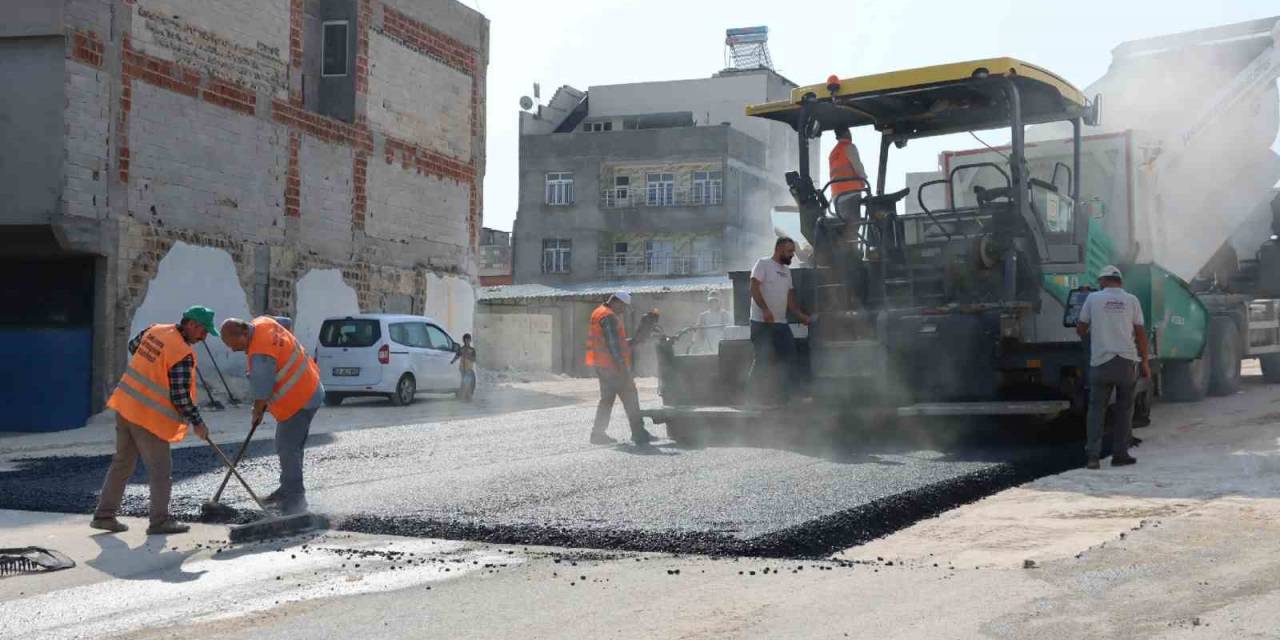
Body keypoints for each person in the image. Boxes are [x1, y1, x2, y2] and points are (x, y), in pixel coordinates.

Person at [92, 305, 219, 535]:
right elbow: (180, 395)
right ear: (191, 324)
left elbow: (133, 347)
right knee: (160, 471)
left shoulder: (155, 330)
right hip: (149, 418)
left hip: (125, 406)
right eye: (203, 331)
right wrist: (197, 422)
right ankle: (159, 522)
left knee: (122, 463)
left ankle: (104, 515)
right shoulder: (182, 353)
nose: (204, 336)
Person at [218, 316, 323, 515]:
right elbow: (286, 322)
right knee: (293, 446)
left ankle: (295, 501)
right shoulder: (263, 322)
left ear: (242, 334)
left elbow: (263, 389)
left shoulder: (260, 353)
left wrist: (257, 410)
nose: (232, 349)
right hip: (311, 387)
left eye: (233, 344)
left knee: (287, 447)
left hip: (299, 400)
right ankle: (288, 489)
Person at [1076, 265, 1151, 470]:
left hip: (1101, 363)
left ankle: (1093, 457)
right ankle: (1120, 455)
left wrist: (1094, 334)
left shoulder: (1092, 299)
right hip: (1126, 362)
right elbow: (1141, 333)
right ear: (1120, 282)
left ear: (1102, 281)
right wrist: (1144, 361)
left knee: (1096, 411)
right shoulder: (1132, 300)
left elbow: (1081, 328)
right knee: (1125, 410)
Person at [586, 291, 657, 446]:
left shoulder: (599, 312)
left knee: (607, 400)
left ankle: (597, 434)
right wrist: (622, 367)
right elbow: (614, 345)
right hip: (613, 366)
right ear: (616, 302)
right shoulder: (609, 317)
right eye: (623, 307)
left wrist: (636, 340)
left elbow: (615, 342)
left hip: (602, 365)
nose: (623, 310)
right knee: (630, 397)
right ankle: (638, 434)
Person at [749, 238, 810, 405]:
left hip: (781, 324)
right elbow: (754, 287)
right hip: (761, 323)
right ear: (778, 249)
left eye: (792, 252)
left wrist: (800, 316)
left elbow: (790, 299)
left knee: (790, 356)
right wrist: (765, 310)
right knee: (762, 359)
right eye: (789, 252)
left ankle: (788, 397)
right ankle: (753, 398)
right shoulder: (763, 264)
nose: (792, 255)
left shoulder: (786, 272)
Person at [829, 127, 868, 221]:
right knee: (853, 227)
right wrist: (864, 182)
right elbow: (858, 167)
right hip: (850, 193)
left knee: (845, 227)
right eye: (849, 131)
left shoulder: (833, 153)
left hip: (837, 196)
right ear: (846, 133)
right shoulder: (849, 147)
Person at [452, 333, 477, 401]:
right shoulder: (461, 349)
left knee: (466, 384)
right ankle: (467, 398)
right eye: (465, 340)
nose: (467, 342)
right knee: (465, 384)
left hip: (469, 370)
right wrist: (452, 361)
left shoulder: (472, 350)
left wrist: (467, 356)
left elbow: (474, 359)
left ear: (470, 340)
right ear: (463, 341)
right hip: (462, 370)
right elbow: (457, 356)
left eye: (468, 340)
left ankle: (465, 398)